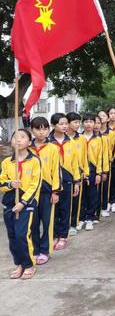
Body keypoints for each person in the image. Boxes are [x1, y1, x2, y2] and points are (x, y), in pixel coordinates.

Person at [0, 129, 42, 279]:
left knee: (22, 235)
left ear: (29, 142)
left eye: (22, 137)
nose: (18, 140)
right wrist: (10, 184)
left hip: (27, 205)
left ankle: (29, 264)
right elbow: (1, 183)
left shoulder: (35, 160)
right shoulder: (6, 162)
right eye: (15, 137)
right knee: (12, 236)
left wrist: (23, 202)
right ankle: (19, 264)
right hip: (9, 204)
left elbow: (35, 184)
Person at [30, 117, 60, 265]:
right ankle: (35, 250)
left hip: (47, 191)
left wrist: (55, 191)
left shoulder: (53, 148)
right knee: (33, 223)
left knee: (47, 221)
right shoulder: (27, 148)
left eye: (45, 129)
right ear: (32, 131)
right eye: (38, 129)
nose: (42, 132)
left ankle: (45, 250)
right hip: (30, 192)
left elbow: (56, 170)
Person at [50, 113, 80, 250]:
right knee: (53, 210)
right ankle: (54, 235)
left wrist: (76, 182)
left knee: (65, 208)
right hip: (51, 181)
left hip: (67, 180)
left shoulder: (71, 142)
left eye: (65, 124)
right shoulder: (48, 142)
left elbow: (75, 163)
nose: (64, 126)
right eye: (61, 124)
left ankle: (63, 235)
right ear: (53, 125)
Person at [66, 112, 89, 234]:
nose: (77, 124)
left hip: (77, 173)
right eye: (75, 122)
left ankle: (73, 224)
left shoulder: (81, 139)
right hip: (64, 173)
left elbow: (85, 157)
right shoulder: (62, 138)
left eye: (78, 122)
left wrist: (86, 171)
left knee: (76, 200)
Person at [81, 113, 103, 231]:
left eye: (91, 121)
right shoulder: (78, 138)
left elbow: (100, 157)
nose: (88, 124)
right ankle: (81, 218)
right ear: (82, 123)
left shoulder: (98, 139)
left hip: (93, 169)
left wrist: (99, 173)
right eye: (86, 121)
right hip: (81, 170)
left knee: (92, 194)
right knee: (82, 195)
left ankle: (90, 217)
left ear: (94, 124)